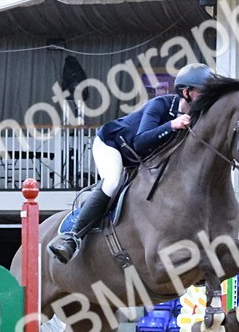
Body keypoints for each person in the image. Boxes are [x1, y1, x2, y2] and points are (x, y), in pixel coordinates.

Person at [48, 62, 214, 263]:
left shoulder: (197, 117)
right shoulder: (161, 105)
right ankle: (72, 237)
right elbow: (140, 141)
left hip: (140, 159)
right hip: (113, 144)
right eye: (203, 92)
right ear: (186, 92)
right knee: (111, 182)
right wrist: (171, 125)